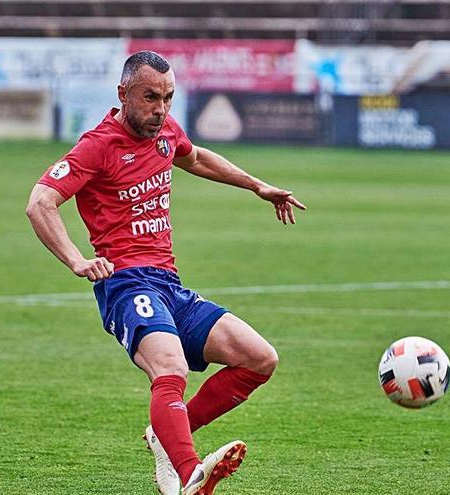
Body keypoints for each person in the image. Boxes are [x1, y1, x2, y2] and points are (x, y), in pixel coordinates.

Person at [26, 51, 306, 495]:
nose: (160, 109)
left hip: (169, 285)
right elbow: (40, 201)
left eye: (169, 98)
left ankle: (169, 431)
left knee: (259, 358)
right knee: (170, 368)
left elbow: (194, 158)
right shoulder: (97, 145)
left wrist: (256, 185)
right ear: (123, 94)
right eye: (150, 97)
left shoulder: (165, 132)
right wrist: (77, 260)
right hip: (125, 284)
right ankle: (190, 471)